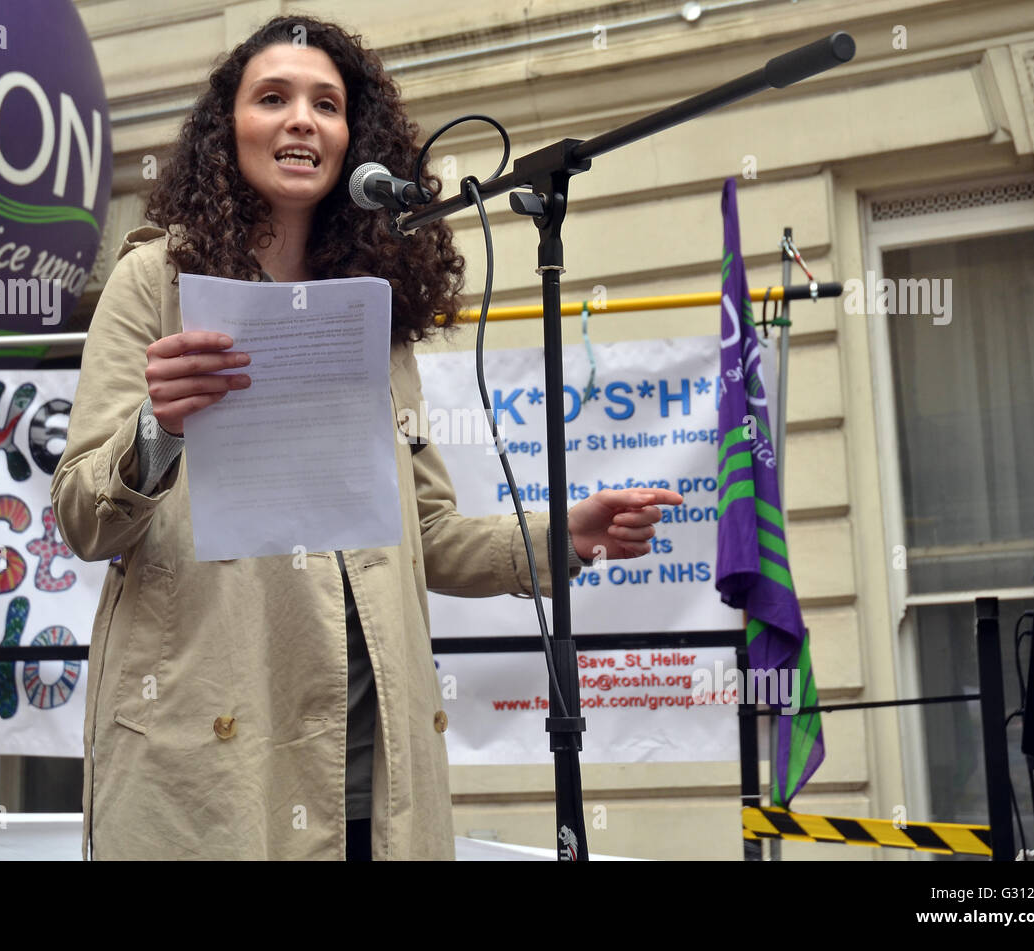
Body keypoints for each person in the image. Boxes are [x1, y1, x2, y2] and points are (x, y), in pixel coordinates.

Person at [51, 14, 681, 861]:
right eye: (272, 98)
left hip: (375, 769)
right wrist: (156, 428)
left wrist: (559, 535)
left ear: (356, 141)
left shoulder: (372, 311)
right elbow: (85, 519)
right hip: (215, 757)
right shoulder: (154, 280)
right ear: (224, 130)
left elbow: (421, 533)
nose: (302, 120)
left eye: (327, 104)